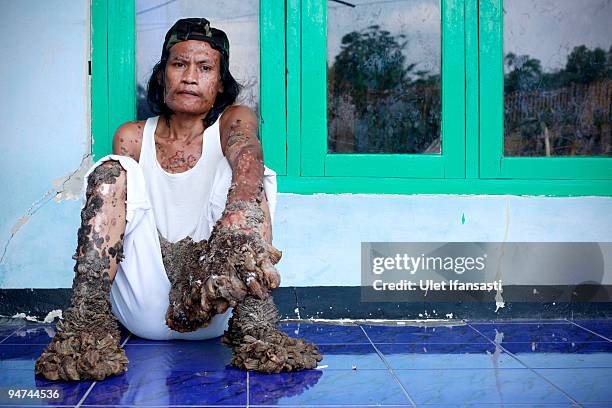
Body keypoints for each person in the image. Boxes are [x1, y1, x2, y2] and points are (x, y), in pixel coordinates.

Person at [35, 18, 321, 382]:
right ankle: (84, 325)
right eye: (178, 64)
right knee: (113, 169)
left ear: (219, 84)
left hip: (212, 297)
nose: (189, 77)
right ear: (162, 76)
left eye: (205, 68)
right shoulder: (133, 136)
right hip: (142, 306)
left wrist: (236, 213)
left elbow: (247, 152)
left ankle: (256, 328)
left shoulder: (233, 120)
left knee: (252, 174)